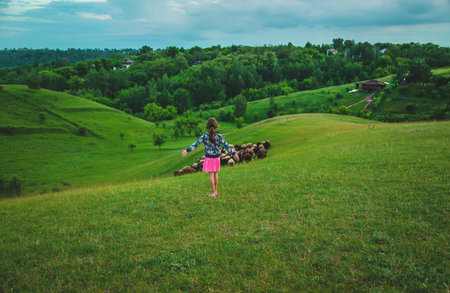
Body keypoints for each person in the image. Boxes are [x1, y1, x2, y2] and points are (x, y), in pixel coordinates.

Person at [181, 117, 238, 198]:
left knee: (211, 175)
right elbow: (226, 146)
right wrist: (233, 153)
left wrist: (187, 150)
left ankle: (213, 193)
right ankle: (216, 191)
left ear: (207, 127)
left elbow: (196, 144)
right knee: (215, 174)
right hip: (217, 158)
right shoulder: (219, 136)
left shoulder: (204, 136)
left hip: (209, 158)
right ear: (216, 126)